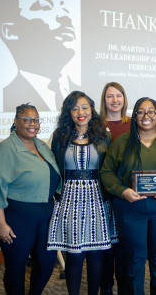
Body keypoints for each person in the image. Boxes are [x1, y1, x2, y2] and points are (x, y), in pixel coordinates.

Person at [100, 97, 156, 294]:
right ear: (134, 116)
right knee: (134, 258)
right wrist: (123, 191)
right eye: (140, 112)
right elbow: (106, 172)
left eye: (151, 112)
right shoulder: (122, 142)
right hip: (130, 209)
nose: (146, 116)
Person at [0, 103, 61, 295]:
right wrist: (1, 224)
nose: (32, 124)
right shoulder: (4, 150)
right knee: (16, 265)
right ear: (16, 122)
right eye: (26, 119)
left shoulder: (41, 145)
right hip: (15, 215)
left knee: (46, 261)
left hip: (45, 214)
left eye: (35, 120)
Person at [47, 91, 115, 295]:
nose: (80, 112)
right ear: (69, 112)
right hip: (70, 199)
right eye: (75, 108)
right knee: (74, 254)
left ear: (92, 110)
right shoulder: (60, 136)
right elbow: (54, 167)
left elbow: (109, 167)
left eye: (85, 107)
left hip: (97, 198)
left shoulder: (104, 134)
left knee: (96, 254)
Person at [0, 0, 78, 112]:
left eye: (63, 7)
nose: (64, 16)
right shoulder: (4, 97)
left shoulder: (80, 93)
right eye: (45, 7)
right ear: (10, 31)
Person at [99, 82, 131, 294]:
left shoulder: (133, 123)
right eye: (110, 96)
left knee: (123, 244)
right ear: (104, 100)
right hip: (103, 190)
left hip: (128, 191)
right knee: (106, 245)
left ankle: (124, 287)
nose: (114, 100)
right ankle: (106, 287)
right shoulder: (97, 126)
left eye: (118, 95)